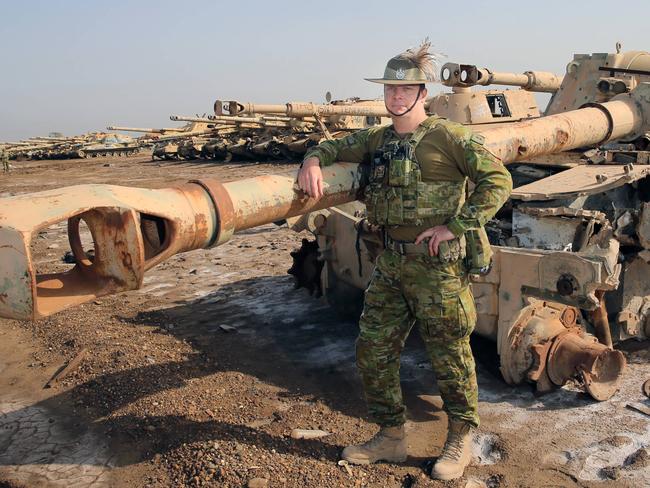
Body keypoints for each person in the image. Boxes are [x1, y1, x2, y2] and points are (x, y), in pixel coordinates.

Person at [296, 40, 512, 480]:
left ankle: (460, 438)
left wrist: (457, 225)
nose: (395, 96)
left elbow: (498, 180)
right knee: (372, 349)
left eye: (404, 89)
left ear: (421, 93)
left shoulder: (448, 138)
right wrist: (313, 159)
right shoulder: (377, 138)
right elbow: (334, 147)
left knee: (449, 355)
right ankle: (391, 435)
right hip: (392, 262)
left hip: (438, 265)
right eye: (390, 89)